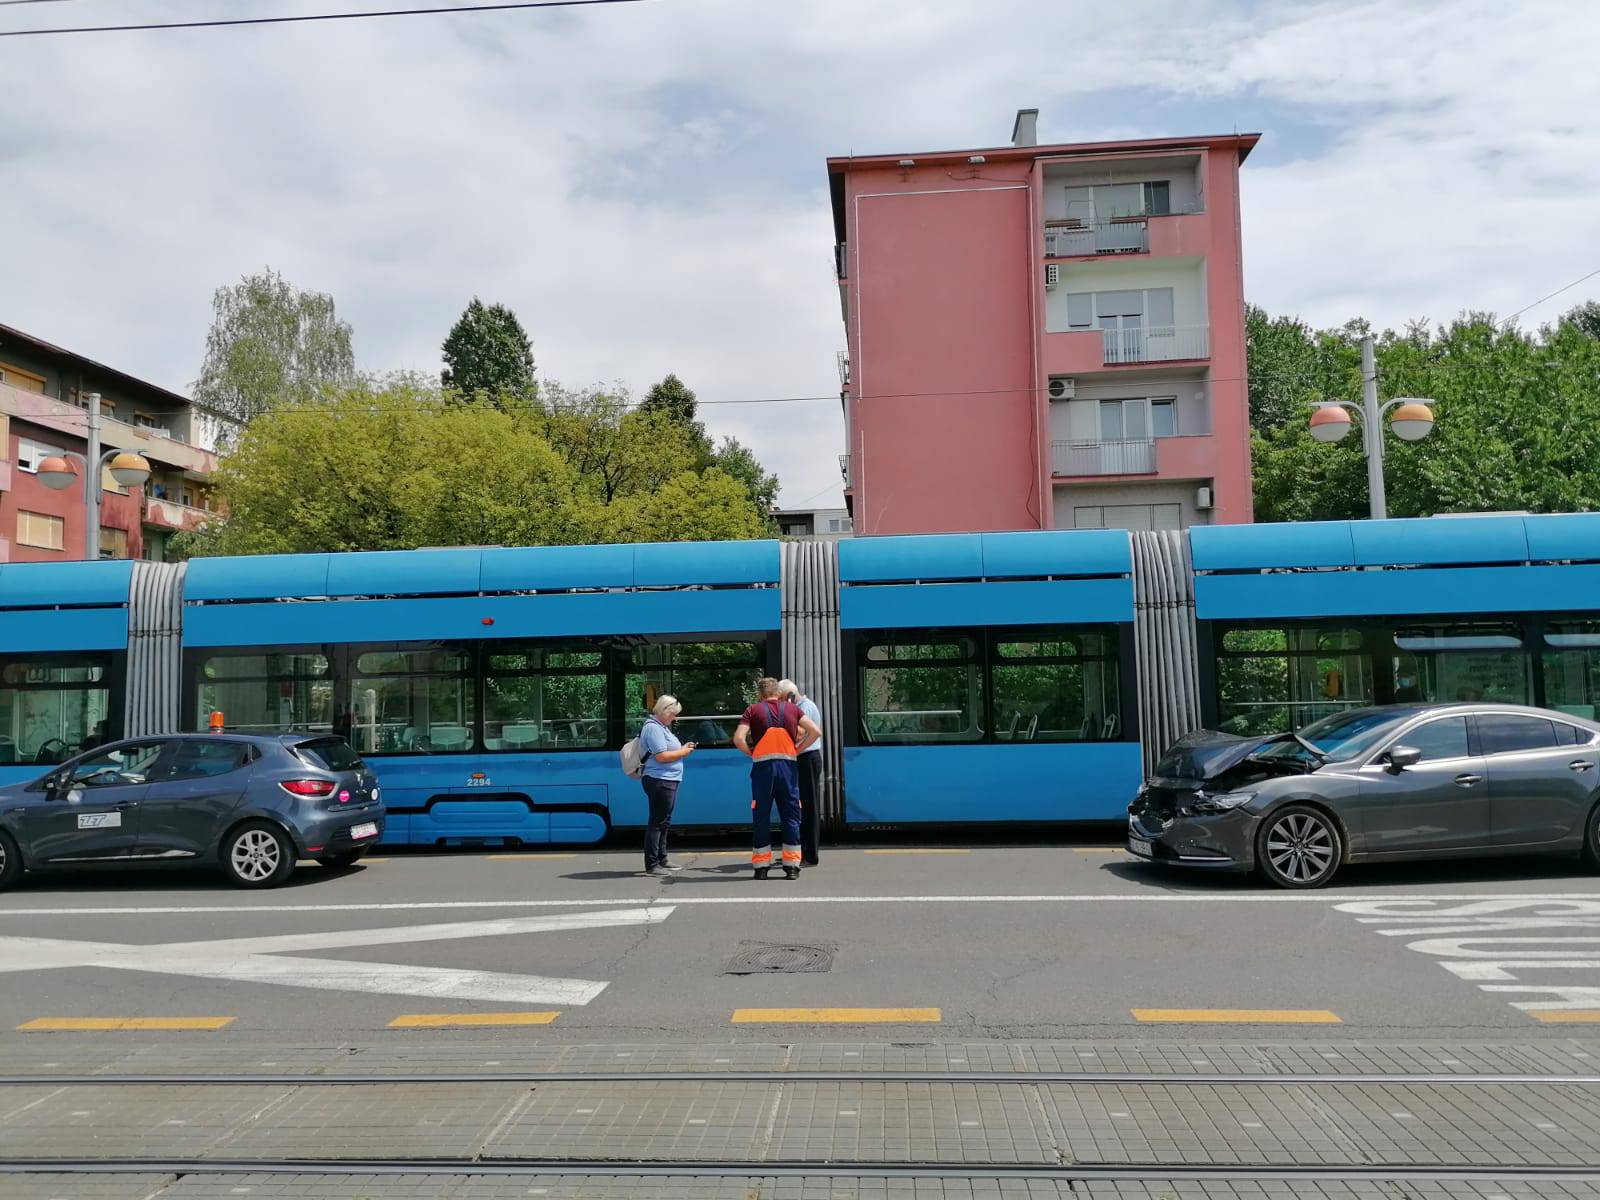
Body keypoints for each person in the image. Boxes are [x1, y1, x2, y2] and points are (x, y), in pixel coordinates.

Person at [734, 677, 821, 880]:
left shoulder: (752, 710)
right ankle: (792, 867)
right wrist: (796, 750)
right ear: (778, 693)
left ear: (760, 694)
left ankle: (762, 868)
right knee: (791, 817)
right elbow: (815, 732)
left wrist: (751, 753)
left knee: (761, 818)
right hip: (788, 770)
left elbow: (738, 738)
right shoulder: (793, 709)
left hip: (763, 771)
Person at [638, 694, 696, 877]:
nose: (675, 718)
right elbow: (661, 756)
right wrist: (684, 752)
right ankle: (652, 865)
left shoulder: (661, 727)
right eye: (673, 714)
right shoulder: (653, 728)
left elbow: (667, 751)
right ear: (665, 711)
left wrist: (682, 748)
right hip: (660, 779)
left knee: (664, 821)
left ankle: (662, 859)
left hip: (667, 779)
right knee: (657, 822)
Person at [778, 679, 824, 867]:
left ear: (789, 696)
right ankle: (799, 851)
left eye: (781, 699)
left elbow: (800, 734)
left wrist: (795, 750)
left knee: (809, 807)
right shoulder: (802, 706)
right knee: (800, 808)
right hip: (803, 759)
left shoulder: (805, 707)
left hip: (807, 758)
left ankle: (810, 855)